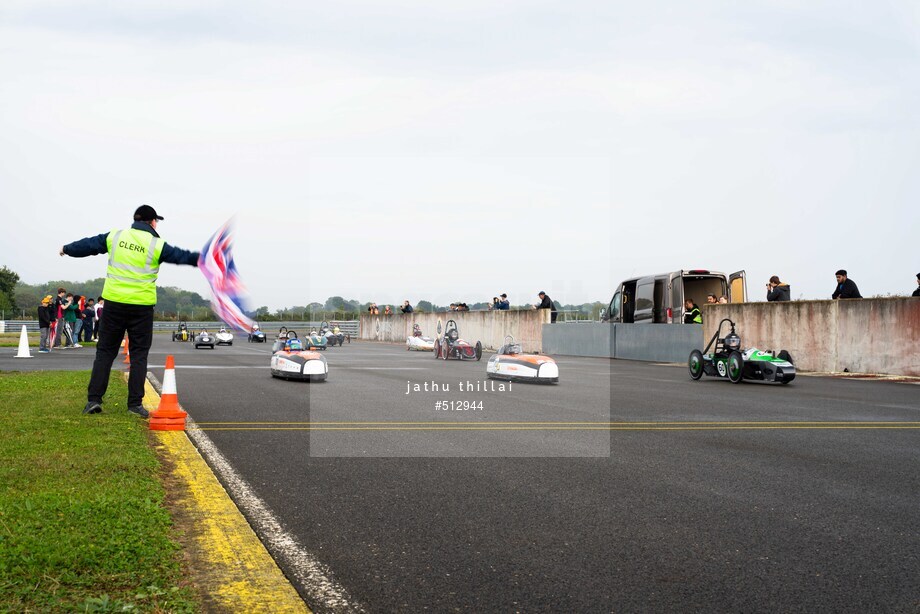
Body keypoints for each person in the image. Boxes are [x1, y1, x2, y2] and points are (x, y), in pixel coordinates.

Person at [60, 204, 199, 417]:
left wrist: (67, 249)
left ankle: (93, 401)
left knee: (105, 353)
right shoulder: (157, 244)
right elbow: (182, 256)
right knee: (139, 355)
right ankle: (135, 404)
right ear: (152, 222)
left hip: (114, 305)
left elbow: (88, 245)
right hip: (141, 308)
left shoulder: (115, 236)